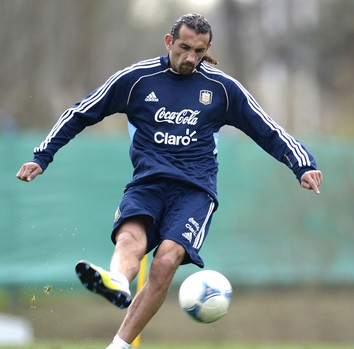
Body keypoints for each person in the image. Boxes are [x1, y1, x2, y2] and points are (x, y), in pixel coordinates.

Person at [16, 13, 323, 349]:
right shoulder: (137, 79)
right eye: (184, 47)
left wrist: (302, 164)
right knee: (129, 240)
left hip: (195, 191)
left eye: (199, 51)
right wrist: (42, 156)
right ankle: (117, 281)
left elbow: (267, 129)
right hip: (148, 183)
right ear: (168, 41)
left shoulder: (222, 89)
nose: (190, 57)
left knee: (166, 259)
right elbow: (81, 112)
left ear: (208, 49)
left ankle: (117, 345)